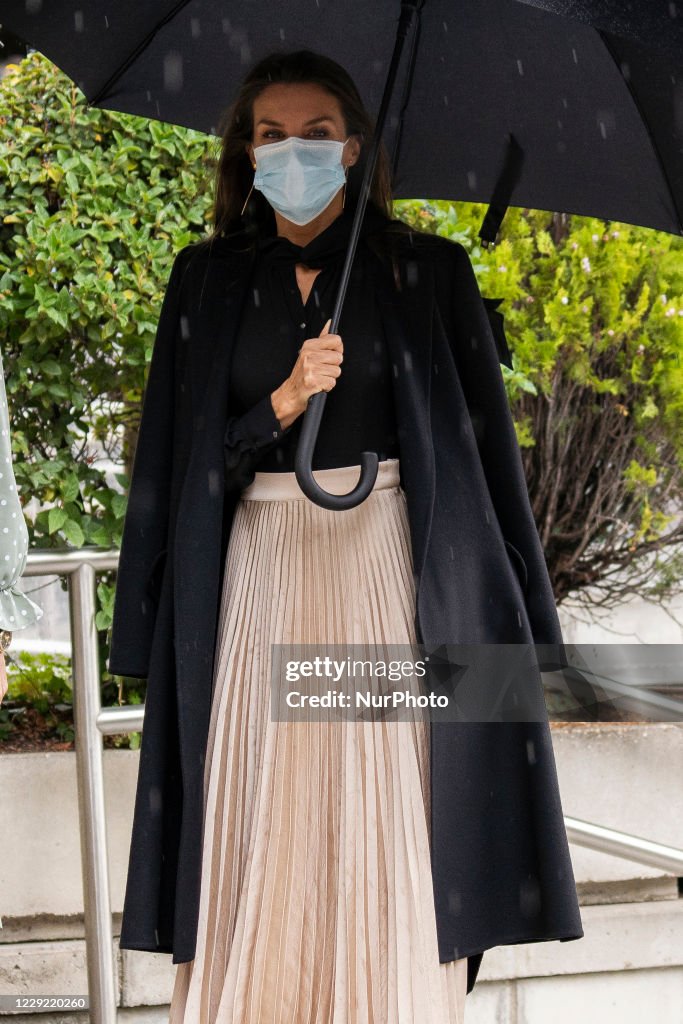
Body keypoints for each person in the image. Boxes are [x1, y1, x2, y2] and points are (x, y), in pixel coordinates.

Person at [109, 48, 583, 1024]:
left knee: (387, 812)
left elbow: (482, 460)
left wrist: (527, 642)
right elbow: (174, 457)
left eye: (315, 134)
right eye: (271, 134)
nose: (293, 152)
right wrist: (279, 402)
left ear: (354, 146)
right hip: (261, 575)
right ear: (245, 149)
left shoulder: (423, 273)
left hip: (385, 578)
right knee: (265, 812)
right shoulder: (205, 281)